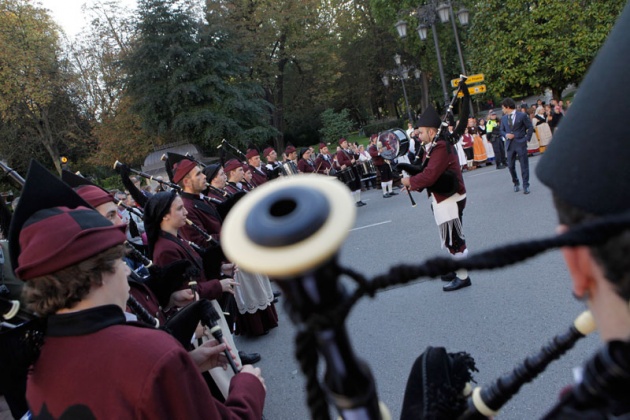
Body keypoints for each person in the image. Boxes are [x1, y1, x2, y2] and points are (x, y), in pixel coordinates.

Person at [10, 162, 266, 419]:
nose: (127, 272)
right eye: (119, 261)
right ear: (97, 273)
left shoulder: (38, 366)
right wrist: (247, 389)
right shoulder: (148, 352)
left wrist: (183, 366)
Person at [399, 98, 472, 292]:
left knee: (455, 239)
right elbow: (425, 170)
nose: (418, 134)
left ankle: (463, 276)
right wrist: (411, 182)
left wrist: (410, 182)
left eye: (421, 131)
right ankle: (457, 269)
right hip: (443, 197)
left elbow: (430, 175)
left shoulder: (439, 147)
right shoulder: (431, 145)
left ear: (431, 131)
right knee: (450, 237)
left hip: (450, 198)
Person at [499, 97, 534, 194]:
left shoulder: (521, 116)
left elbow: (530, 127)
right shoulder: (504, 118)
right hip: (510, 145)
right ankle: (515, 182)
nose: (502, 110)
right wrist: (506, 134)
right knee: (510, 165)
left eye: (503, 107)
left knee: (524, 165)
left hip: (520, 142)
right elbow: (501, 130)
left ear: (507, 107)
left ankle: (526, 185)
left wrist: (527, 139)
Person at [337, 137, 366, 207]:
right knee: (352, 186)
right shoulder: (340, 153)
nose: (346, 143)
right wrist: (350, 162)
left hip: (354, 168)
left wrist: (357, 153)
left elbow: (355, 158)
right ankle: (355, 201)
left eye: (346, 142)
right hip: (348, 171)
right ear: (341, 145)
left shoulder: (350, 150)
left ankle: (359, 200)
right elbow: (341, 162)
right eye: (344, 143)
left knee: (358, 184)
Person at [368, 134, 396, 198]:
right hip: (380, 163)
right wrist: (379, 152)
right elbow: (372, 153)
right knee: (384, 178)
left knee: (389, 176)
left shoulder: (382, 145)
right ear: (373, 140)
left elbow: (388, 148)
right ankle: (384, 192)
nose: (377, 139)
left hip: (386, 162)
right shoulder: (372, 147)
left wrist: (387, 148)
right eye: (375, 138)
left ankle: (390, 191)